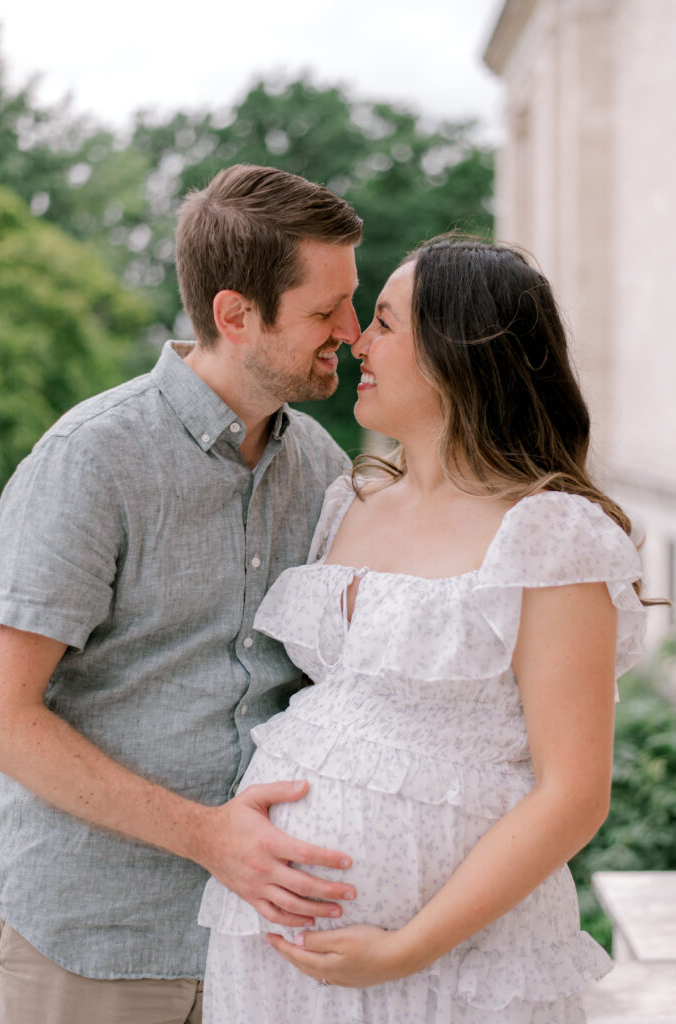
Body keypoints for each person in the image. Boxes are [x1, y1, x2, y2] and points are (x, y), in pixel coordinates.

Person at [199, 234, 648, 1023]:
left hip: (459, 967)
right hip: (273, 955)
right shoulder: (350, 500)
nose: (356, 342)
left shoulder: (549, 533)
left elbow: (572, 795)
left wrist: (406, 947)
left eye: (382, 322)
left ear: (457, 350)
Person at [0, 164, 364, 1024]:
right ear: (236, 315)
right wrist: (207, 837)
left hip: (260, 950)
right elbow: (4, 716)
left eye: (352, 302)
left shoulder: (323, 469)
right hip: (89, 942)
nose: (350, 331)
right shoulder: (91, 459)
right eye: (323, 311)